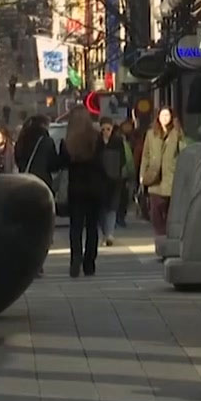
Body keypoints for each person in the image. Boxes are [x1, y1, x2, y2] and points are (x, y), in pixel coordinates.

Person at [56, 107, 105, 277]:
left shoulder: (67, 141)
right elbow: (102, 162)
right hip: (94, 188)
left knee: (75, 227)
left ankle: (75, 259)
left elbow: (60, 163)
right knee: (92, 227)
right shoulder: (96, 138)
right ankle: (89, 262)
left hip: (76, 188)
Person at [140, 107, 186, 238]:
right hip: (154, 178)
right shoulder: (151, 134)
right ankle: (160, 236)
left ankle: (169, 236)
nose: (165, 118)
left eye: (167, 115)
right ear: (158, 117)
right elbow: (145, 155)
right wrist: (142, 175)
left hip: (171, 176)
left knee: (170, 212)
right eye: (162, 115)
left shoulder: (176, 133)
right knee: (155, 212)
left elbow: (183, 151)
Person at [97, 118, 129, 246]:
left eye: (108, 129)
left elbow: (123, 159)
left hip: (115, 179)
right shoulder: (96, 142)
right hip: (99, 180)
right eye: (103, 129)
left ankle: (109, 234)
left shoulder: (118, 141)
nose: (106, 132)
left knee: (112, 207)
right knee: (101, 208)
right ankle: (106, 233)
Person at [14, 115, 55, 187]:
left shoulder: (21, 140)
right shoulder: (46, 141)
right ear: (42, 125)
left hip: (24, 180)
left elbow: (18, 161)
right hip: (41, 182)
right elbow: (52, 164)